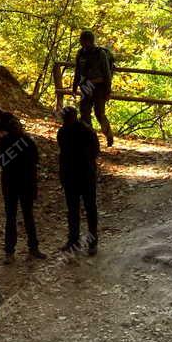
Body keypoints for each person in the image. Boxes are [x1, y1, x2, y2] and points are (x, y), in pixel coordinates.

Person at [0, 116, 46, 263]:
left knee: (11, 217)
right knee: (28, 217)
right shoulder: (28, 142)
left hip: (10, 185)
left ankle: (10, 252)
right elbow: (35, 162)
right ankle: (33, 249)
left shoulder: (4, 143)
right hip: (26, 184)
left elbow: (1, 163)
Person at [57, 105, 100, 256]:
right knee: (74, 210)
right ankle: (73, 240)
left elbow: (95, 152)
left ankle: (91, 242)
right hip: (71, 176)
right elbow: (62, 155)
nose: (65, 120)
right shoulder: (62, 132)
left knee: (89, 209)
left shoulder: (85, 131)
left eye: (67, 118)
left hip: (85, 175)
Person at [71, 29, 115, 146]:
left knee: (99, 113)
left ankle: (109, 135)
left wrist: (108, 90)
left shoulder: (100, 54)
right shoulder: (81, 53)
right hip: (86, 86)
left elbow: (107, 73)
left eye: (83, 40)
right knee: (84, 112)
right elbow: (78, 71)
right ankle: (89, 138)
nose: (81, 42)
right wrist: (74, 86)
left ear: (89, 41)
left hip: (99, 87)